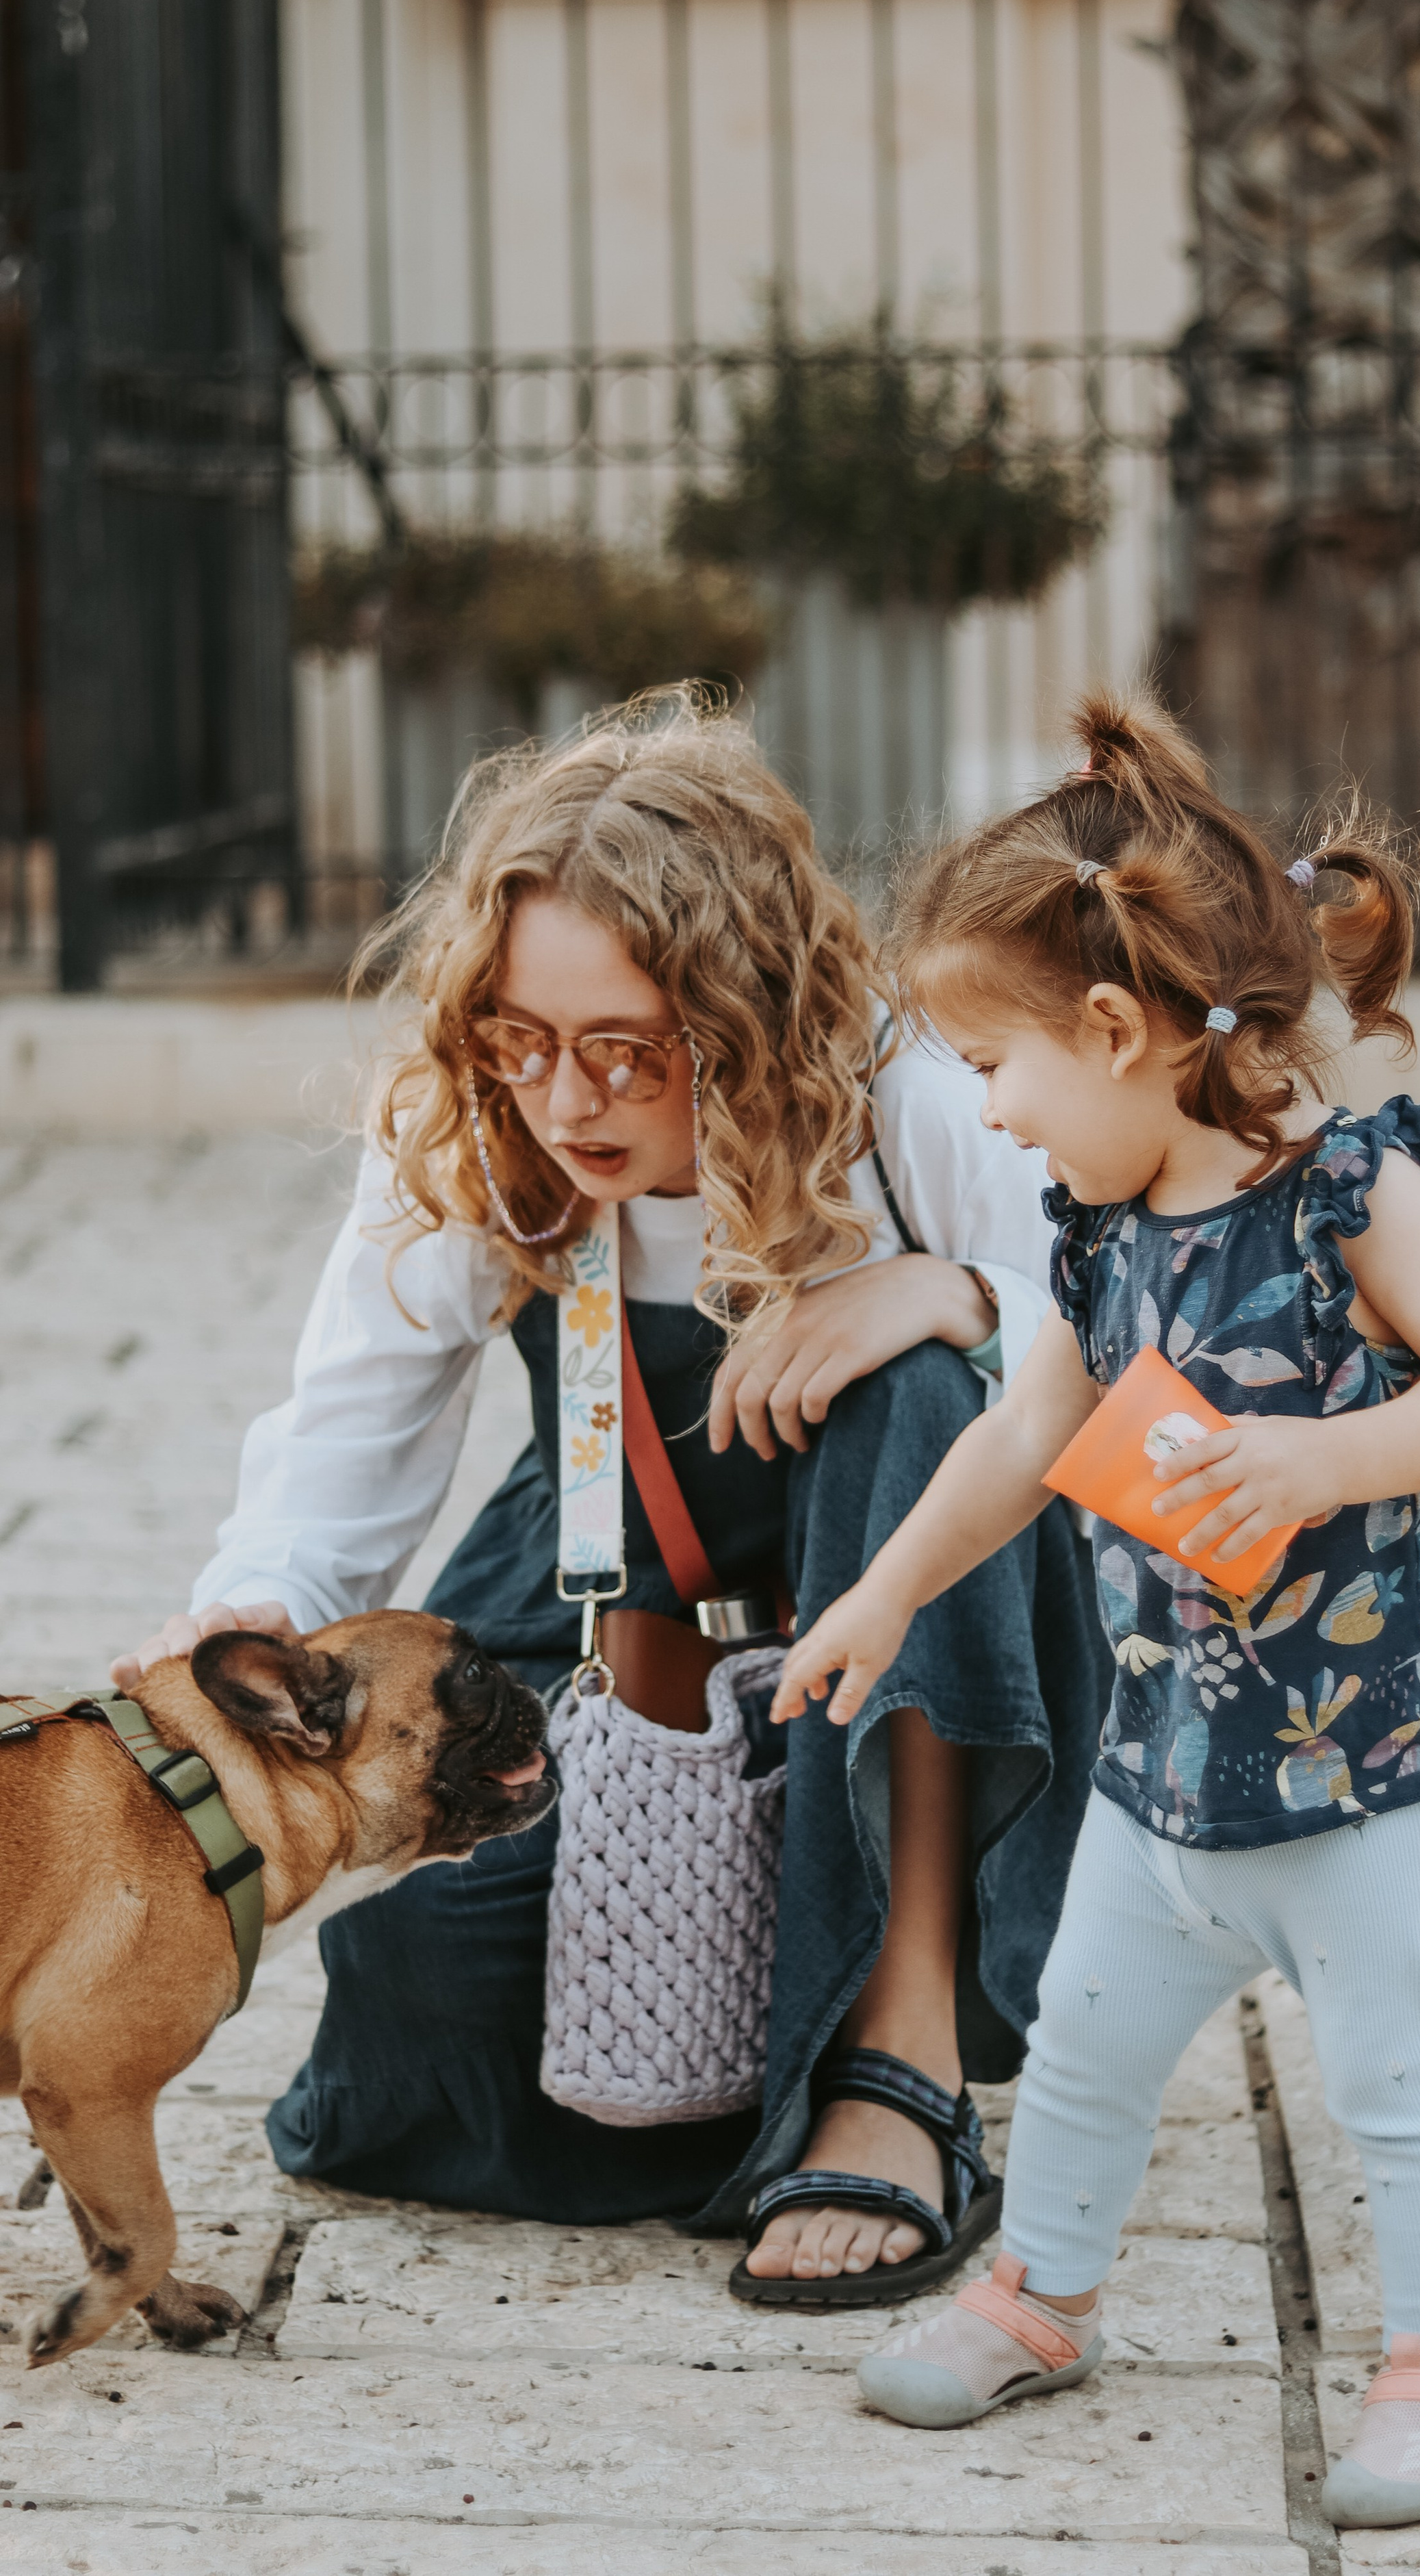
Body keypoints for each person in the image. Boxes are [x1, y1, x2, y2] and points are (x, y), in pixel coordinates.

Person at [111, 689, 1105, 2304]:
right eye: (520, 1039)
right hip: (610, 1599)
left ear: (741, 1012)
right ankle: (769, 2022)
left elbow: (1121, 1339)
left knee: (925, 1394)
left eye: (626, 1052)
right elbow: (352, 1424)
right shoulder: (483, 1126)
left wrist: (961, 1298)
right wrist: (251, 1614)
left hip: (912, 1620)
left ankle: (896, 2042)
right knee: (410, 1975)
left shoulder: (908, 1093)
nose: (566, 1101)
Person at [769, 694, 1420, 2529]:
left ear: (1115, 1030)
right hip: (1170, 1760)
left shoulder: (1351, 1191)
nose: (989, 1108)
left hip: (1369, 1758)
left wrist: (1321, 1460)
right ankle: (1043, 2294)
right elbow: (1023, 1438)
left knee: (1392, 2074)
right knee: (1083, 2042)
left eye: (996, 1064)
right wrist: (884, 1594)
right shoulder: (1099, 1230)